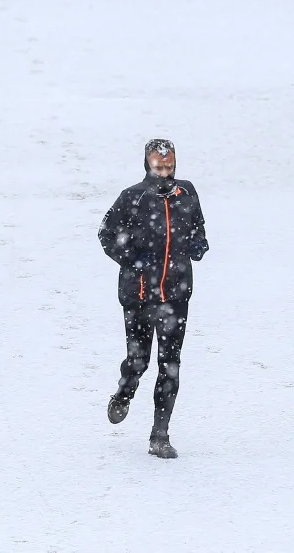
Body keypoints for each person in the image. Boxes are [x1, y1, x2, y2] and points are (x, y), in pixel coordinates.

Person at [98, 139, 209, 458]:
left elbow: (198, 229)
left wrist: (197, 246)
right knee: (138, 360)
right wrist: (133, 259)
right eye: (158, 167)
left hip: (177, 294)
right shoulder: (132, 197)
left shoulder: (186, 193)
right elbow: (106, 233)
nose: (164, 173)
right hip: (140, 295)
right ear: (147, 165)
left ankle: (160, 435)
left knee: (170, 364)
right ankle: (124, 391)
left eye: (169, 167)